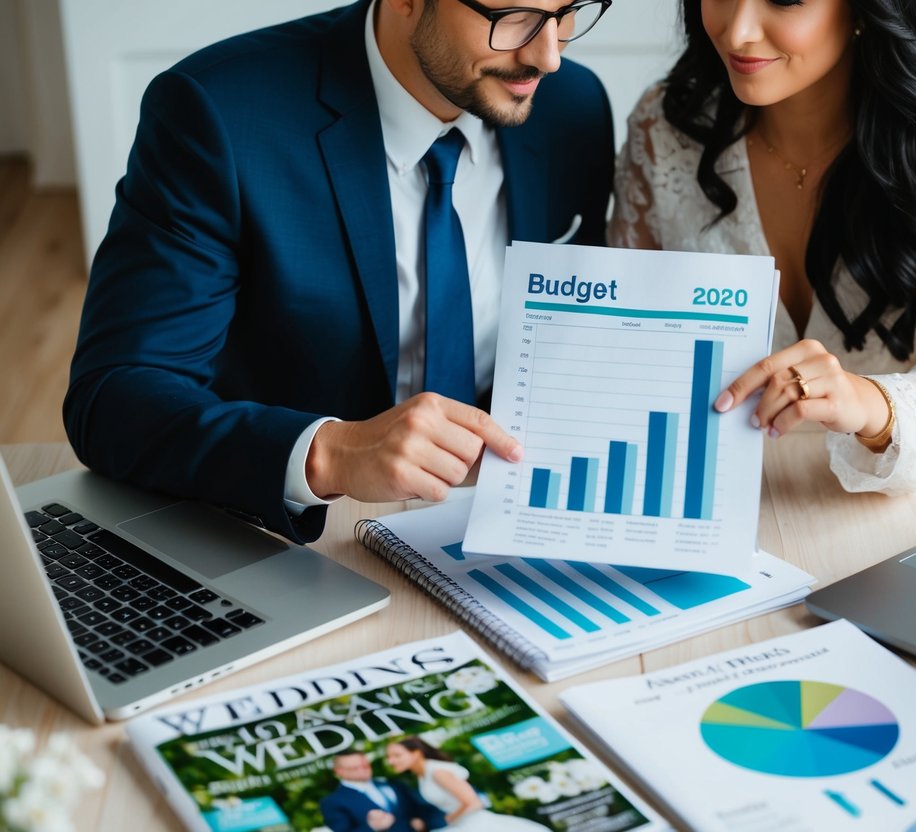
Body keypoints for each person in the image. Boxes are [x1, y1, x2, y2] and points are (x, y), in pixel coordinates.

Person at [64, 0, 615, 543]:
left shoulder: (573, 108)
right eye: (510, 17)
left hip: (510, 518)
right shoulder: (218, 112)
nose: (548, 56)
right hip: (298, 534)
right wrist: (330, 453)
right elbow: (113, 397)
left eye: (568, 10)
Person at [610, 0, 916, 493]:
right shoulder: (663, 128)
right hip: (709, 485)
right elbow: (622, 350)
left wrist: (867, 404)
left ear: (865, 10)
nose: (738, 31)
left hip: (915, 493)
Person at [384, 739, 547, 830]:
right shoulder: (422, 775)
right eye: (389, 757)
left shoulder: (437, 772)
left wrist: (450, 819)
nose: (391, 761)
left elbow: (474, 803)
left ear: (416, 753)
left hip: (476, 825)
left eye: (397, 755)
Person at [321, 751, 447, 832]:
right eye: (355, 768)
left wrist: (423, 822)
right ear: (339, 772)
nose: (362, 770)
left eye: (365, 765)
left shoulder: (391, 783)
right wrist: (371, 828)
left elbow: (421, 807)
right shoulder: (332, 802)